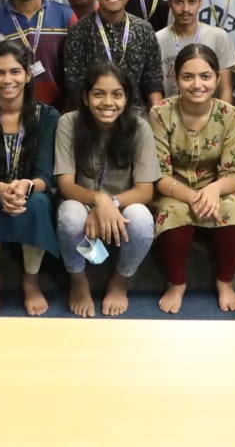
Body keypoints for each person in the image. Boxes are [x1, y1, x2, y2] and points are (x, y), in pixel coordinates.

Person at [151, 45, 235, 313]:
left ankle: (225, 282)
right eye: (188, 77)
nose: (197, 85)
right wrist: (194, 196)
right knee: (173, 214)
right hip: (173, 189)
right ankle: (176, 283)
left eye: (205, 76)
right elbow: (159, 174)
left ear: (217, 79)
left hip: (217, 187)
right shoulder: (160, 114)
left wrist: (213, 190)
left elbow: (234, 173)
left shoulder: (230, 115)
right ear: (176, 79)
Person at [0, 41, 60, 316]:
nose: (8, 80)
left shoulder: (47, 116)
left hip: (31, 191)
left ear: (28, 75)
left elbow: (45, 174)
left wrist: (27, 186)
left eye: (15, 72)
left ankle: (31, 280)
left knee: (38, 203)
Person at [54, 63, 157, 317]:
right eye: (99, 94)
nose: (108, 102)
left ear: (127, 98)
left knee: (142, 219)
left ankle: (121, 282)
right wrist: (98, 200)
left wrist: (110, 203)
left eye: (117, 94)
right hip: (81, 202)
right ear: (86, 97)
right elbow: (65, 185)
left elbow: (145, 191)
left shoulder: (140, 128)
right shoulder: (69, 122)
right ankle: (78, 281)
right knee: (70, 215)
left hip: (122, 207)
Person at [62, 0, 164, 110]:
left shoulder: (144, 29)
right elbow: (75, 83)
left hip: (135, 112)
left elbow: (153, 79)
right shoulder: (79, 30)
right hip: (94, 112)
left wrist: (156, 112)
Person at [156, 0, 235, 101]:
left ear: (200, 2)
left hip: (209, 111)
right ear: (169, 3)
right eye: (179, 2)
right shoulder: (157, 40)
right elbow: (154, 89)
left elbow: (225, 89)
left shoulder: (219, 37)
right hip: (170, 111)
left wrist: (223, 114)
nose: (185, 9)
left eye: (192, 2)